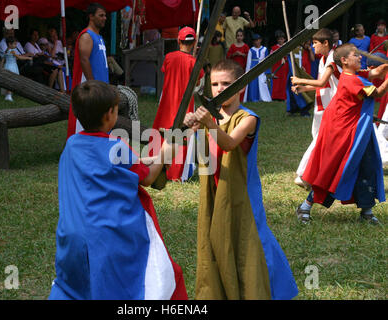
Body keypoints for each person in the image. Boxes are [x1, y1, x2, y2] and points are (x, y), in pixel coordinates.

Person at [49, 80, 187, 300]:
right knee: (159, 278)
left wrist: (145, 158)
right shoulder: (117, 146)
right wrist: (165, 151)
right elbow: (148, 178)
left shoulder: (72, 144)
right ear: (109, 115)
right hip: (107, 238)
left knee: (77, 289)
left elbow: (111, 166)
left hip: (72, 236)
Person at [183, 59, 298, 300]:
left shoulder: (248, 118)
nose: (218, 89)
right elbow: (184, 141)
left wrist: (206, 123)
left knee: (249, 242)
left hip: (242, 193)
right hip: (214, 190)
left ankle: (266, 291)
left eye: (226, 83)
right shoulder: (211, 117)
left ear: (240, 85)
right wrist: (187, 126)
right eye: (214, 84)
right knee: (215, 242)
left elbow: (230, 143)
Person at [297, 43, 388, 225]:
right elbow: (377, 92)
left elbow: (376, 73)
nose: (360, 57)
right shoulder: (350, 80)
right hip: (345, 134)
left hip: (360, 132)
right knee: (334, 170)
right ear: (345, 61)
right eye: (356, 55)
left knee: (366, 166)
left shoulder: (355, 74)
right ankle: (305, 206)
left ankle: (367, 212)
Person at [291, 29, 341, 193]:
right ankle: (316, 175)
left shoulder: (333, 58)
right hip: (322, 105)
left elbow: (321, 82)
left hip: (333, 107)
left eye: (315, 43)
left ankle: (304, 175)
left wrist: (299, 79)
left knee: (319, 141)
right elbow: (323, 84)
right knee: (318, 140)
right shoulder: (323, 60)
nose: (312, 47)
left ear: (325, 43)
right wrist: (303, 87)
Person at [151, 26, 204, 181]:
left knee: (163, 132)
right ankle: (178, 172)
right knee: (183, 134)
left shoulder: (169, 57)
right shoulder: (194, 62)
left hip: (167, 102)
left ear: (178, 40)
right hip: (185, 104)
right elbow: (198, 83)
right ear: (194, 42)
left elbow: (166, 70)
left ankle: (157, 166)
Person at [67, 2, 109, 139]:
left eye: (105, 15)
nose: (104, 18)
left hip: (101, 86)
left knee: (100, 122)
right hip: (90, 86)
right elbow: (84, 60)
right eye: (101, 15)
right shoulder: (87, 36)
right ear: (91, 16)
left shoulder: (99, 37)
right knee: (86, 122)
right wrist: (91, 84)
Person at [2, 37, 32, 101]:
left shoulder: (6, 50)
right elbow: (19, 57)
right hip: (12, 67)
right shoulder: (12, 51)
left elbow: (4, 59)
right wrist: (28, 58)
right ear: (9, 44)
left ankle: (9, 94)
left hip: (7, 66)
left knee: (9, 80)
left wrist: (1, 66)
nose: (16, 46)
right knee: (12, 80)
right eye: (15, 44)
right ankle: (9, 95)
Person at [243, 33, 271, 102]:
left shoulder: (264, 49)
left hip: (261, 67)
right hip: (253, 67)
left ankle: (264, 98)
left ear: (260, 40)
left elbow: (267, 61)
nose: (256, 42)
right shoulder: (251, 50)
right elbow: (249, 61)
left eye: (258, 40)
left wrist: (267, 71)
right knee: (253, 83)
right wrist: (247, 71)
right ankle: (253, 98)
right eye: (255, 40)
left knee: (262, 82)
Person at [270, 31, 289, 101]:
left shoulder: (287, 46)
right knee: (276, 81)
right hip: (276, 66)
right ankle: (275, 96)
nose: (280, 40)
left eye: (282, 39)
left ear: (284, 39)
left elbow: (289, 56)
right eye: (279, 39)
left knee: (284, 81)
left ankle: (283, 96)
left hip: (284, 66)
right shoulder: (274, 47)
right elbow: (271, 57)